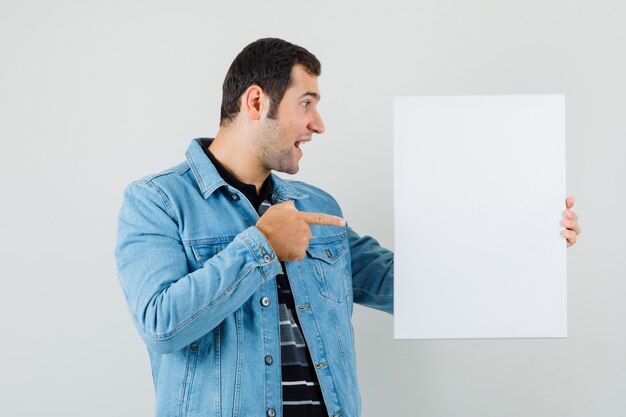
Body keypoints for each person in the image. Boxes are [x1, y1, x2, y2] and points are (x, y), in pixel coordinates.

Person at [115, 38, 581, 417]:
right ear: (257, 101)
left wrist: (528, 238)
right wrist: (262, 246)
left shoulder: (317, 207)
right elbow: (161, 326)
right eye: (306, 103)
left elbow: (407, 285)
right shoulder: (157, 201)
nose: (318, 123)